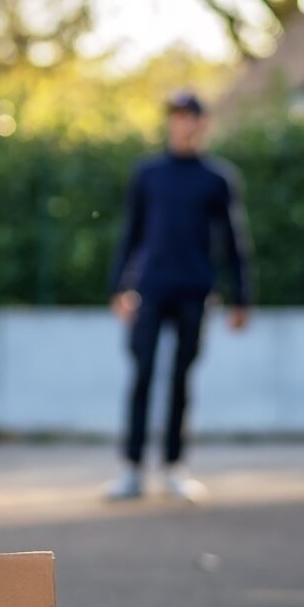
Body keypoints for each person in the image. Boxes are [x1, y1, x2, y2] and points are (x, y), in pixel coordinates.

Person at [104, 90, 252, 502]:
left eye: (190, 116)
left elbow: (233, 241)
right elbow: (130, 233)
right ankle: (131, 469)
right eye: (176, 116)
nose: (182, 123)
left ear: (202, 123)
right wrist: (119, 287)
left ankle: (174, 467)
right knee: (143, 376)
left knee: (181, 380)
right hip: (150, 290)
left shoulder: (217, 178)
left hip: (194, 291)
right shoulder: (148, 174)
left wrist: (241, 297)